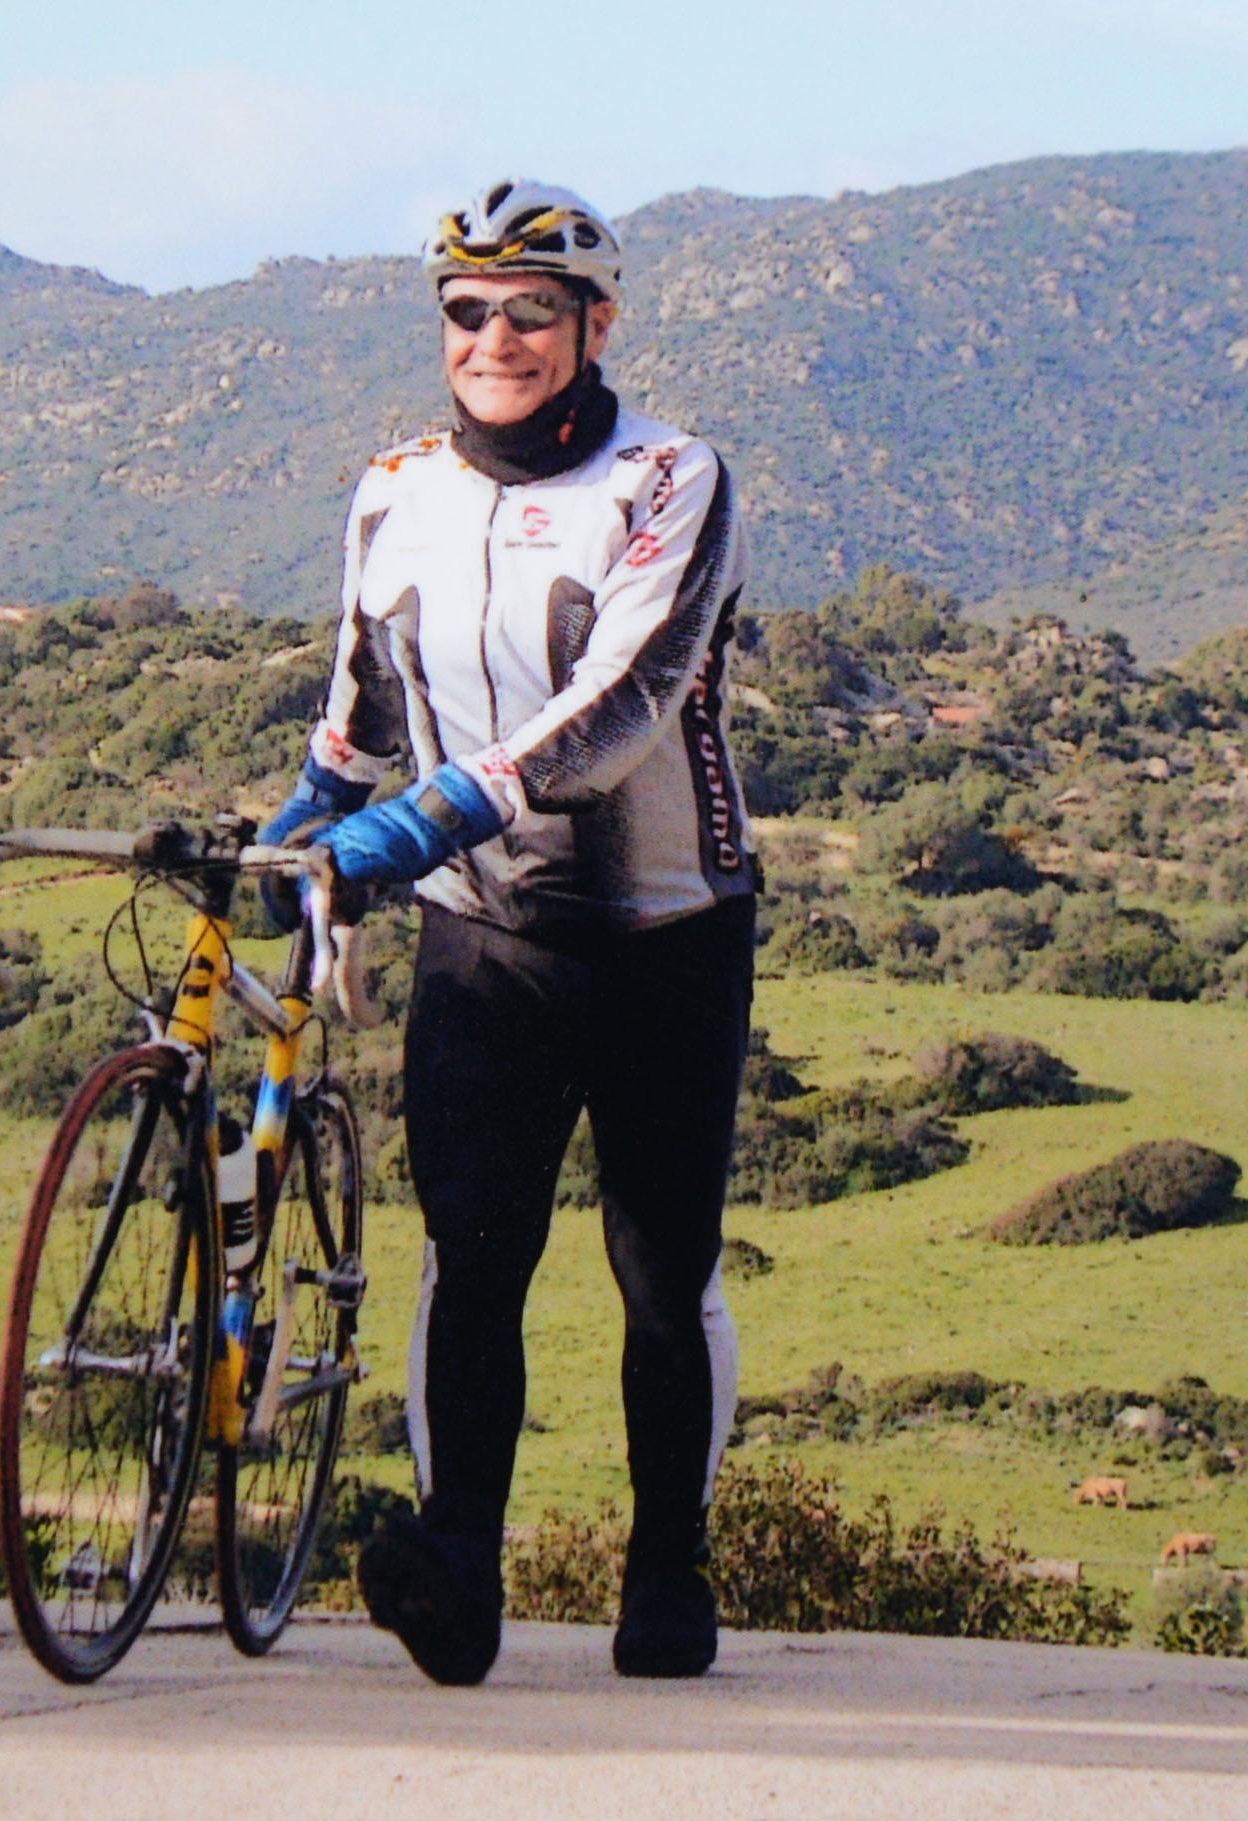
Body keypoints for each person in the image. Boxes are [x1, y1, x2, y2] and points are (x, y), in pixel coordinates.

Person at [261, 179, 755, 1684]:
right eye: (466, 313)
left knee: (657, 1266)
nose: (496, 337)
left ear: (596, 323)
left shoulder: (672, 476)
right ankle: (457, 1566)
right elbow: (357, 712)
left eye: (533, 311)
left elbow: (619, 706)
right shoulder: (389, 489)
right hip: (485, 935)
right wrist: (298, 825)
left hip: (663, 924)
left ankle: (665, 1566)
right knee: (471, 1254)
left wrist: (409, 828)